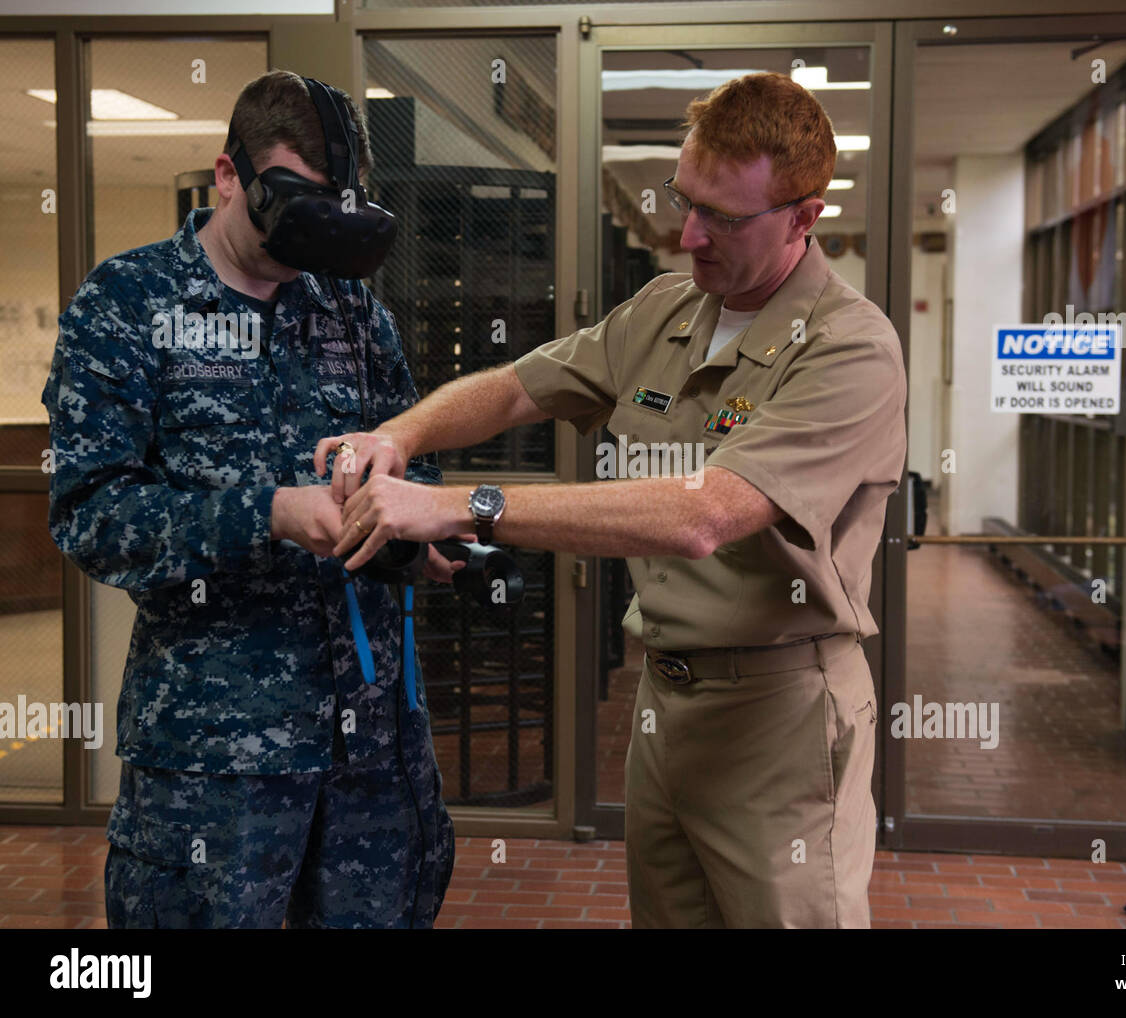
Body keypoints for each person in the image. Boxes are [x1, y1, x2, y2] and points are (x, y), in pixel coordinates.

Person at [317, 71, 906, 928]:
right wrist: (400, 437)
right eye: (684, 197)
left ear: (804, 218)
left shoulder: (851, 348)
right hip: (664, 704)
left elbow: (703, 515)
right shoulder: (671, 306)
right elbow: (519, 389)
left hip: (779, 718)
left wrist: (463, 507)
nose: (688, 234)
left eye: (724, 218)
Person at [42, 70, 455, 929]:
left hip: (370, 752)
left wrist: (419, 527)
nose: (312, 228)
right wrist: (266, 513)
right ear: (228, 175)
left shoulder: (352, 313)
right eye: (292, 197)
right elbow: (91, 516)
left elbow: (416, 465)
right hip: (214, 768)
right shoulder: (128, 305)